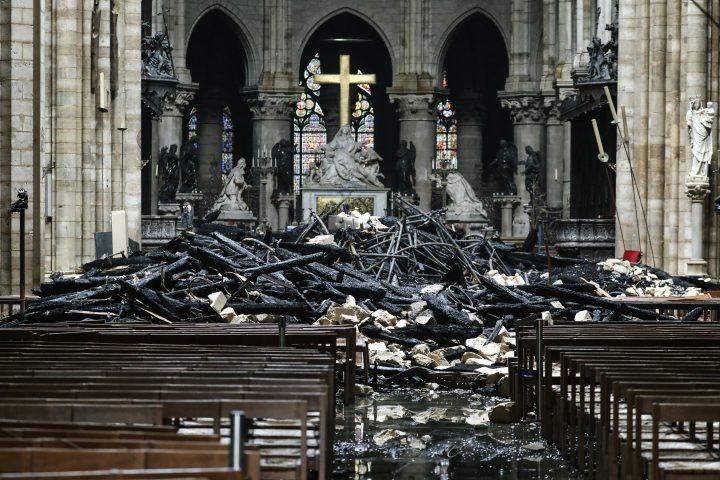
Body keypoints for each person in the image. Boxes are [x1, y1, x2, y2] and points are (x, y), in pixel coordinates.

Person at [687, 99, 715, 178]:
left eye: (698, 103)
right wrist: (690, 106)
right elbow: (689, 118)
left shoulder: (703, 112)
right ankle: (695, 171)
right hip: (696, 134)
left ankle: (703, 172)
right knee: (696, 152)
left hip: (703, 133)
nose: (697, 105)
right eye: (695, 103)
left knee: (704, 152)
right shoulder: (691, 112)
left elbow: (709, 119)